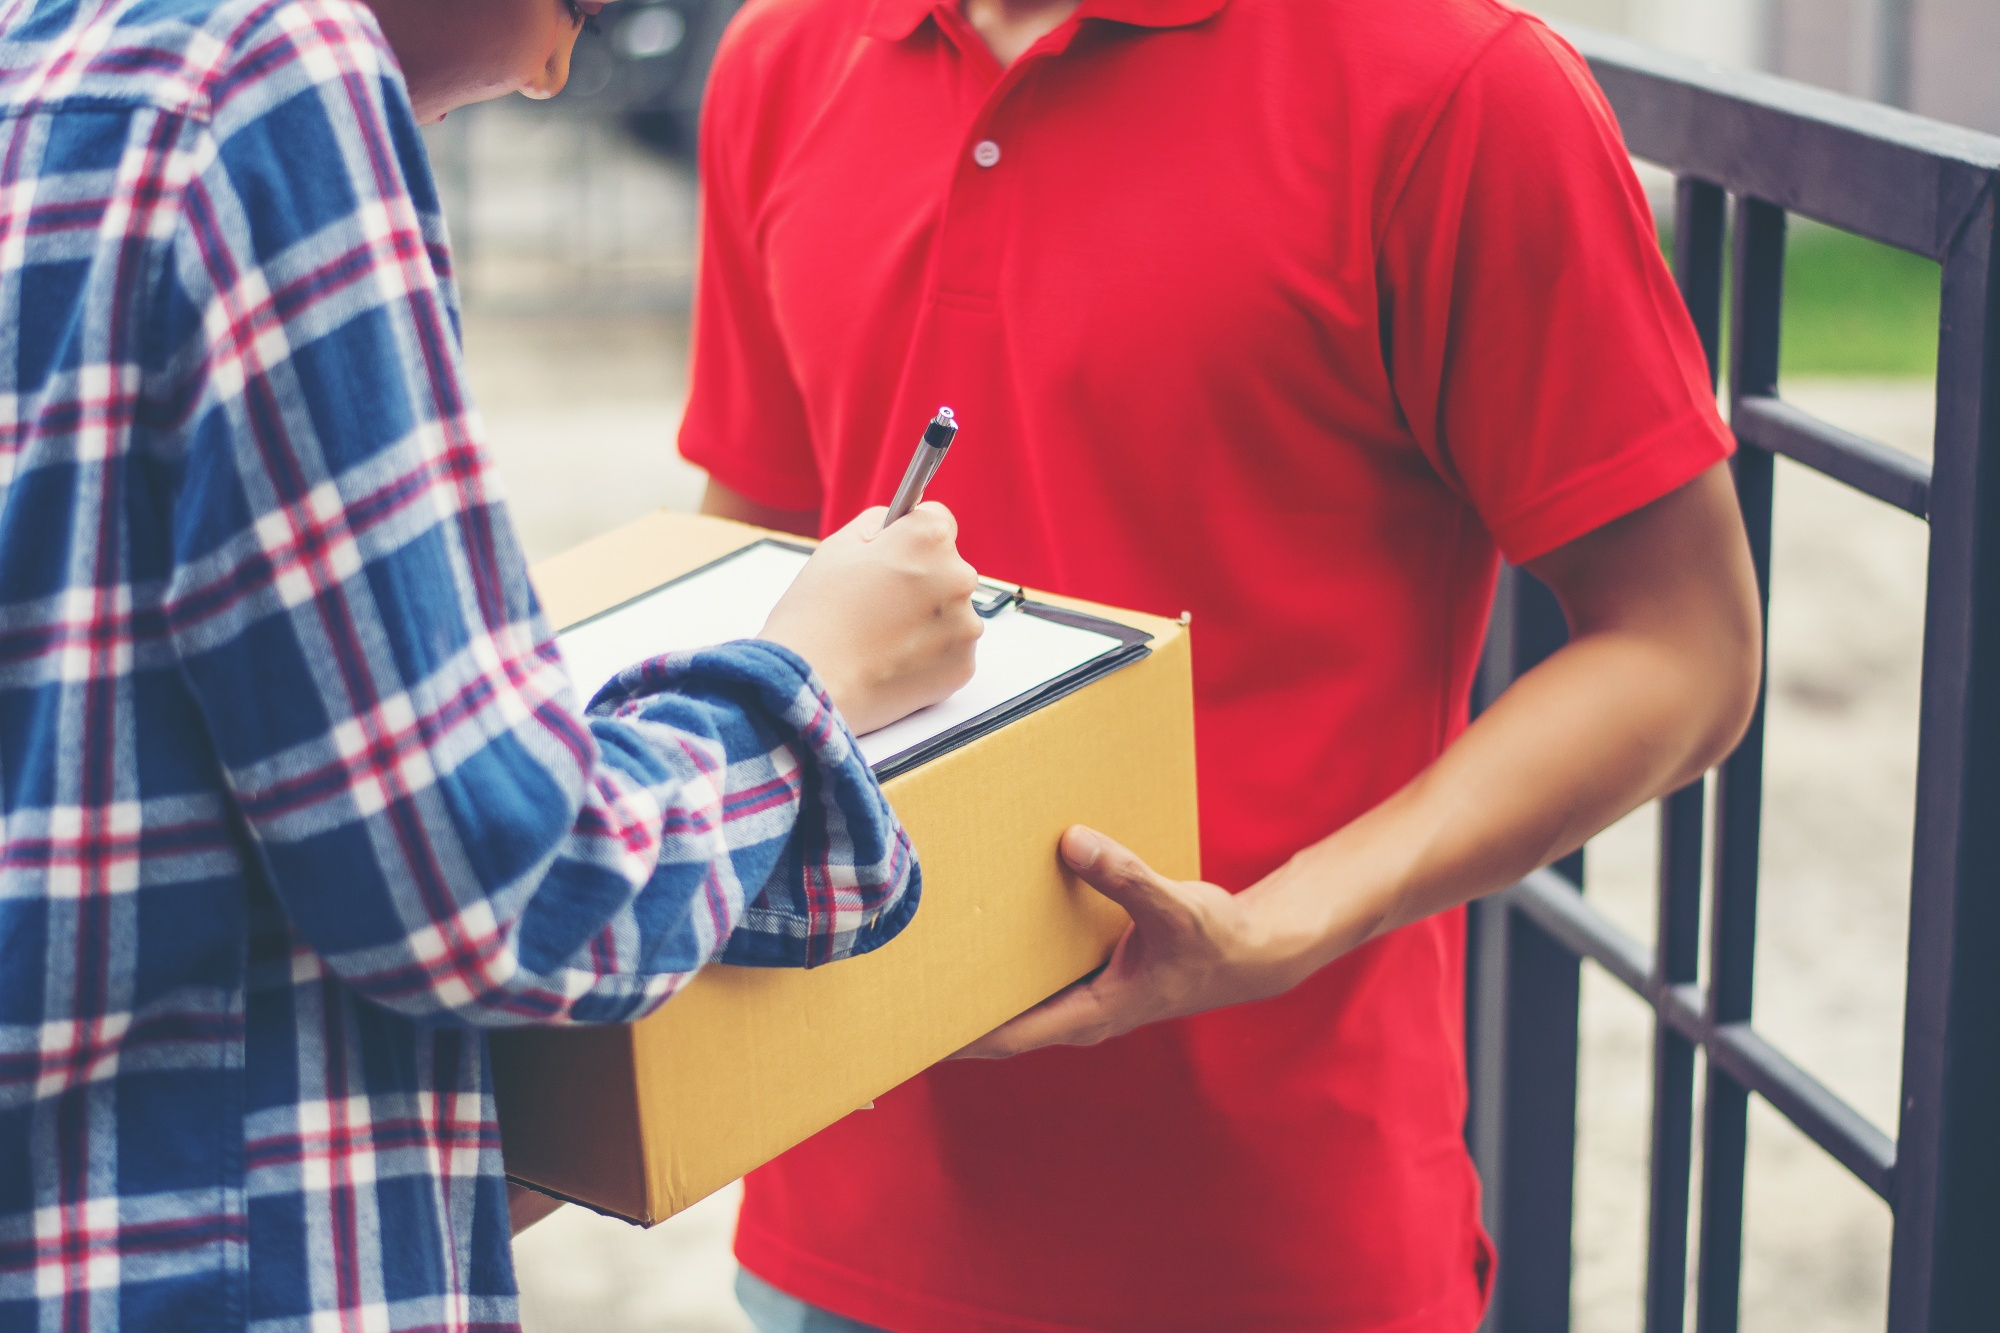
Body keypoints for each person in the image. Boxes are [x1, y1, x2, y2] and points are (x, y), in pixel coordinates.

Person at [683, 0, 1765, 1329]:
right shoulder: (782, 53)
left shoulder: (1455, 82)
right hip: (830, 1218)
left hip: (1269, 1244)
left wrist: (1289, 921)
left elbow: (1686, 642)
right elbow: (749, 571)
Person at [0, 0, 984, 1330]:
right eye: (584, 5)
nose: (555, 69)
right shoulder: (269, 78)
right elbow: (501, 885)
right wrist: (802, 678)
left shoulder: (50, 66)